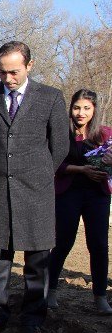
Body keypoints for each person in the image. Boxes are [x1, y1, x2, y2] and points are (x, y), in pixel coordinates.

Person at [0, 41, 69, 333]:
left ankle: (33, 318)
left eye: (14, 72)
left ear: (29, 65)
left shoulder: (51, 98)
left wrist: (36, 174)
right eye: (2, 72)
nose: (8, 78)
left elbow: (60, 146)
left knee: (37, 261)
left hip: (36, 191)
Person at [48, 89, 112, 315]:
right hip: (68, 193)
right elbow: (55, 164)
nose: (80, 113)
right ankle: (51, 290)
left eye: (86, 108)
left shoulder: (105, 134)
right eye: (76, 108)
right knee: (62, 242)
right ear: (70, 109)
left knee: (98, 245)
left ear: (94, 110)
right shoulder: (61, 133)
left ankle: (100, 296)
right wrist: (82, 170)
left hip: (97, 196)